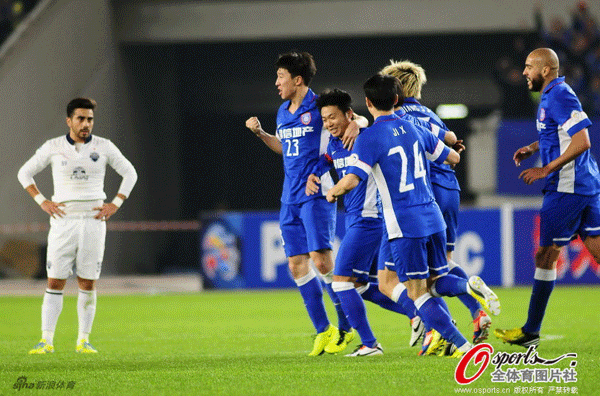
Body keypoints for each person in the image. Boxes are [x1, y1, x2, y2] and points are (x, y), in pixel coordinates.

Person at [326, 74, 500, 358]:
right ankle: (467, 285)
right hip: (433, 217)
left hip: (404, 224)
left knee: (417, 292)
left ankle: (463, 345)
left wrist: (332, 191)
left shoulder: (368, 138)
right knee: (435, 281)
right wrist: (452, 149)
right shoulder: (415, 127)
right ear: (397, 99)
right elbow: (453, 158)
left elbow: (353, 179)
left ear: (368, 103)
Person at [245, 51, 365, 356]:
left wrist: (356, 124)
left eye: (281, 77)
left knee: (322, 262)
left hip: (318, 192)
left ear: (297, 80)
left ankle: (346, 328)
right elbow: (285, 150)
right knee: (296, 265)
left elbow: (356, 116)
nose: (276, 83)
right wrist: (261, 134)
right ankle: (324, 331)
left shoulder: (320, 105)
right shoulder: (283, 112)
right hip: (290, 197)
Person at [380, 60, 493, 346]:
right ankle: (475, 309)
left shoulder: (394, 115)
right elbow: (452, 139)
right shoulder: (430, 114)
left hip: (419, 198)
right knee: (442, 265)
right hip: (450, 190)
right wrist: (452, 146)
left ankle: (435, 332)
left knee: (400, 280)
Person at [307, 88, 427, 356]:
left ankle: (371, 344)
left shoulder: (364, 136)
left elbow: (366, 125)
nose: (328, 124)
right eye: (324, 119)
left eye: (332, 118)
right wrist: (314, 174)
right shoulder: (336, 144)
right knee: (361, 285)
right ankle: (421, 314)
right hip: (358, 221)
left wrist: (359, 122)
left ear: (348, 114)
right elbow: (326, 161)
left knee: (340, 283)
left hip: (369, 219)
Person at [495, 48, 600, 347]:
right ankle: (530, 330)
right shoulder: (554, 94)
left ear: (545, 70)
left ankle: (530, 330)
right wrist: (532, 148)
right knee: (595, 251)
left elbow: (582, 140)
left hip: (567, 187)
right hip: (584, 184)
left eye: (529, 67)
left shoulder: (559, 95)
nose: (525, 72)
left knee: (545, 255)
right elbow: (557, 135)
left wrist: (545, 168)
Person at [18, 98, 138, 354]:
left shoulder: (104, 146)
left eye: (90, 119)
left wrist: (115, 203)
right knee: (55, 281)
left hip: (94, 220)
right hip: (64, 220)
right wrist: (42, 201)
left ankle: (83, 340)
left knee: (87, 282)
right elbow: (24, 173)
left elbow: (130, 173)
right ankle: (46, 340)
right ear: (69, 120)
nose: (86, 124)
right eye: (81, 119)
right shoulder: (53, 147)